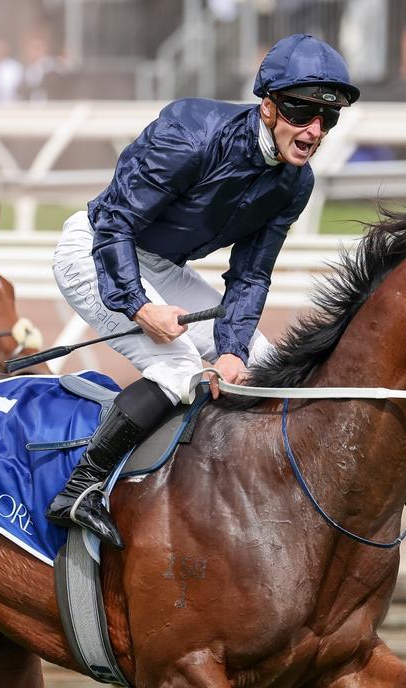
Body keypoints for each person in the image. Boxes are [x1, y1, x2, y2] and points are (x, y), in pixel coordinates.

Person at [47, 33, 360, 548]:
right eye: (303, 112)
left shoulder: (293, 185)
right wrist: (139, 304)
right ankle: (82, 489)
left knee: (263, 362)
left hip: (160, 264)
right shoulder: (190, 132)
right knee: (178, 367)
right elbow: (115, 225)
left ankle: (237, 496)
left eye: (328, 118)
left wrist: (234, 349)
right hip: (98, 249)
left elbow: (251, 275)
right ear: (268, 106)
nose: (314, 131)